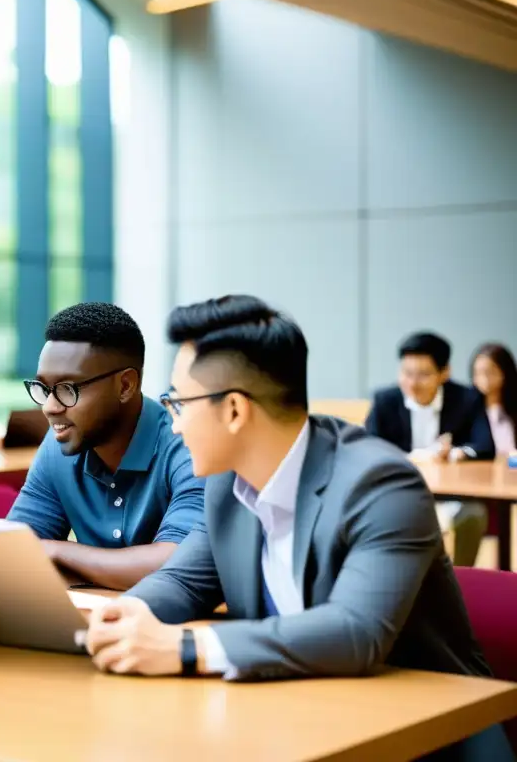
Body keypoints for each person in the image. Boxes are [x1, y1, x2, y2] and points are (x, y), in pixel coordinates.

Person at [80, 295, 511, 761]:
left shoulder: (381, 484)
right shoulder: (227, 481)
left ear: (235, 411)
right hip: (304, 721)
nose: (174, 425)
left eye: (179, 403)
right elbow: (184, 580)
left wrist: (184, 647)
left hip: (432, 738)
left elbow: (355, 632)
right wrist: (114, 619)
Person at [5, 302, 204, 591]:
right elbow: (14, 553)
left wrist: (59, 551)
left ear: (125, 386)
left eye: (67, 389)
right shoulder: (57, 445)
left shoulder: (187, 444)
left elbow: (182, 562)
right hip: (88, 624)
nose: (49, 407)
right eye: (44, 389)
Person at [365, 331, 494, 566]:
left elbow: (486, 446)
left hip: (453, 494)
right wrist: (417, 457)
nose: (412, 383)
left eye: (423, 375)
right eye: (406, 373)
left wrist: (455, 453)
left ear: (445, 372)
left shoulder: (467, 399)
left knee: (474, 514)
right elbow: (367, 449)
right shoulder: (386, 401)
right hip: (400, 491)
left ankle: (462, 580)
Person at [471, 343, 517, 457]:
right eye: (478, 373)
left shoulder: (511, 408)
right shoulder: (469, 409)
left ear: (505, 372)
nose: (483, 379)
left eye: (489, 372)